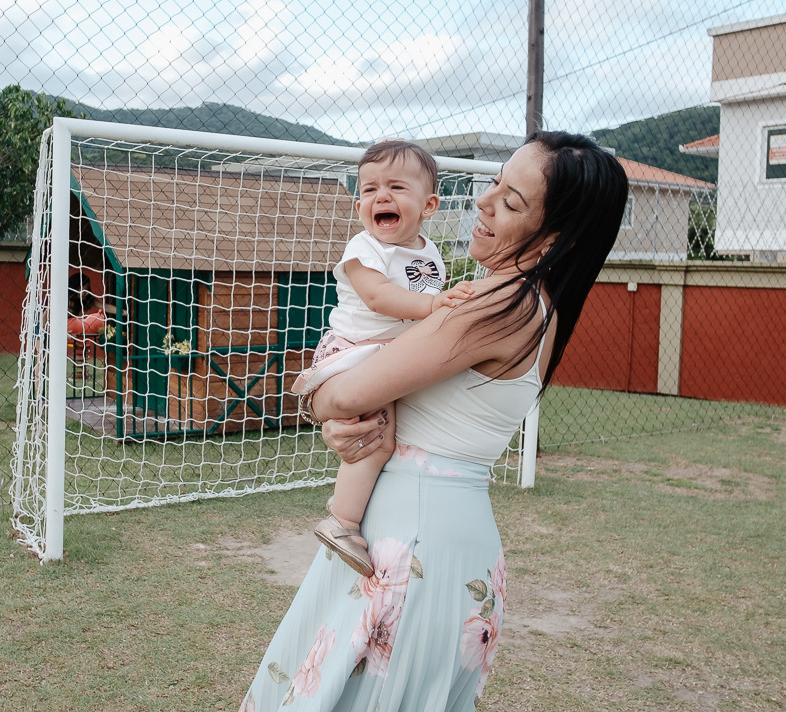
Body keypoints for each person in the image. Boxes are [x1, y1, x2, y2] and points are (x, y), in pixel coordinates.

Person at [239, 131, 628, 711]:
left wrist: (323, 408)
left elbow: (344, 397)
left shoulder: (495, 305)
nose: (485, 202)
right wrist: (339, 415)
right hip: (443, 536)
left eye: (512, 202)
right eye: (495, 182)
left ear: (557, 238)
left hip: (409, 541)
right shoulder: (535, 304)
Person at [291, 139, 473, 577]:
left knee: (386, 437)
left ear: (428, 205)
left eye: (396, 187)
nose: (381, 197)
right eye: (370, 190)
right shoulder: (363, 249)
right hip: (355, 351)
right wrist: (435, 307)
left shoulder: (428, 252)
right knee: (376, 443)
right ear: (359, 207)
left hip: (390, 353)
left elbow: (425, 304)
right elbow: (378, 298)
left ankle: (357, 514)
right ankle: (343, 522)